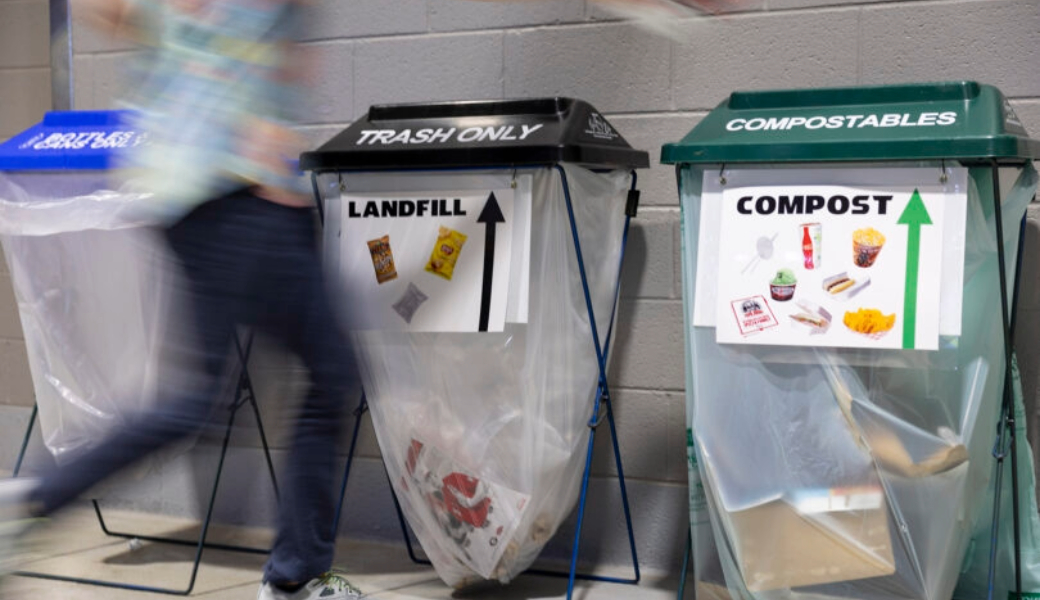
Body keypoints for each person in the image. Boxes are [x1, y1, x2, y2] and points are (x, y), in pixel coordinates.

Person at [0, 0, 360, 598]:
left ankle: (33, 501)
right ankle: (297, 578)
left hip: (186, 194)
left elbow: (107, 13)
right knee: (330, 372)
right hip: (241, 189)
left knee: (195, 399)